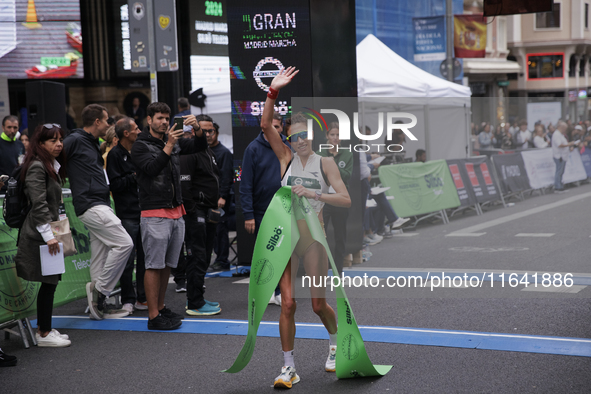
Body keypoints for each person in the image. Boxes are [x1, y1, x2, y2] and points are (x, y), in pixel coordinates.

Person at [262, 67, 351, 388]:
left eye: (304, 135)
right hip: (288, 238)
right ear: (289, 139)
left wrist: (315, 193)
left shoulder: (324, 163)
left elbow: (345, 199)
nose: (299, 141)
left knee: (316, 304)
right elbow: (264, 124)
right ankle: (289, 367)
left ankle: (335, 343)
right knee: (287, 303)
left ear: (312, 136)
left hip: (313, 240)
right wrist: (273, 91)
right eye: (294, 136)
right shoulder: (285, 157)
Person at [131, 102, 207, 330]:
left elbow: (199, 146)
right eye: (160, 118)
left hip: (177, 210)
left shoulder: (171, 141)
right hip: (154, 211)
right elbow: (152, 169)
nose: (164, 122)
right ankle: (153, 316)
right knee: (153, 265)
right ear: (149, 120)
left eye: (167, 118)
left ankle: (161, 307)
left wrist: (199, 130)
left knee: (167, 265)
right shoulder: (140, 145)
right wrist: (169, 145)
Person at [63, 104, 134, 321]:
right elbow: (51, 158)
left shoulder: (93, 142)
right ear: (97, 122)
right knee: (125, 243)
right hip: (91, 204)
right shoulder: (75, 140)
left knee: (100, 256)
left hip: (98, 202)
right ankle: (100, 292)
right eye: (106, 120)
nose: (108, 124)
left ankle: (97, 307)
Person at [14, 123, 71, 347]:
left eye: (60, 139)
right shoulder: (38, 166)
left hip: (50, 230)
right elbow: (38, 204)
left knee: (52, 281)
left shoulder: (50, 165)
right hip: (42, 233)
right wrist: (49, 236)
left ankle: (45, 328)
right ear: (40, 144)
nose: (59, 144)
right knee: (49, 281)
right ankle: (44, 333)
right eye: (53, 140)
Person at [240, 111, 290, 306]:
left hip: (284, 210)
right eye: (272, 126)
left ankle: (279, 291)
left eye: (278, 127)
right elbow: (245, 185)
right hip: (262, 212)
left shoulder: (287, 147)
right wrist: (249, 215)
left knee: (282, 252)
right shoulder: (252, 149)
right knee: (264, 253)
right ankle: (266, 290)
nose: (276, 130)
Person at [179, 114, 222, 316]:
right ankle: (194, 302)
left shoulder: (209, 152)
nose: (206, 134)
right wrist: (193, 210)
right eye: (202, 130)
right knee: (197, 257)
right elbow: (185, 183)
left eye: (210, 130)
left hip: (209, 209)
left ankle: (199, 298)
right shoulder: (190, 152)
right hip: (196, 211)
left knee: (204, 256)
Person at [106, 117, 147, 314]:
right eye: (136, 128)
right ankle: (128, 299)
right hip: (128, 214)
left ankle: (143, 297)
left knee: (146, 258)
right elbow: (115, 185)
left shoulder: (140, 150)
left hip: (145, 212)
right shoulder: (115, 155)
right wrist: (133, 177)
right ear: (126, 133)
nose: (140, 131)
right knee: (128, 259)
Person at [318, 122, 352, 274]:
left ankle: (338, 271)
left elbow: (346, 176)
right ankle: (321, 270)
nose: (335, 138)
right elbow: (318, 175)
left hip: (340, 199)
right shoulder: (320, 153)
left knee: (340, 236)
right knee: (320, 236)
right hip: (324, 199)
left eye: (338, 135)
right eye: (332, 135)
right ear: (327, 136)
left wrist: (331, 166)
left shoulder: (347, 154)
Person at [207, 122, 234, 271]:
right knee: (212, 231)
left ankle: (222, 260)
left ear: (216, 133)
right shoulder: (203, 150)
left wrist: (223, 196)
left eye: (211, 131)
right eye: (205, 131)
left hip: (220, 199)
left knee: (220, 230)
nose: (208, 135)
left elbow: (227, 176)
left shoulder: (223, 152)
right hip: (207, 198)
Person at [552, 120, 578, 193]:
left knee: (561, 171)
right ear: (561, 127)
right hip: (559, 156)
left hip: (563, 155)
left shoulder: (560, 134)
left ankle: (560, 185)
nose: (565, 130)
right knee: (559, 171)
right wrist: (569, 144)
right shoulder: (556, 134)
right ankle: (557, 187)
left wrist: (569, 146)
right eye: (565, 128)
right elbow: (559, 145)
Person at [0, 115, 24, 193]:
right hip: (2, 190)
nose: (12, 130)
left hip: (17, 189)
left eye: (15, 128)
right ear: (3, 127)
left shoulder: (20, 145)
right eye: (9, 127)